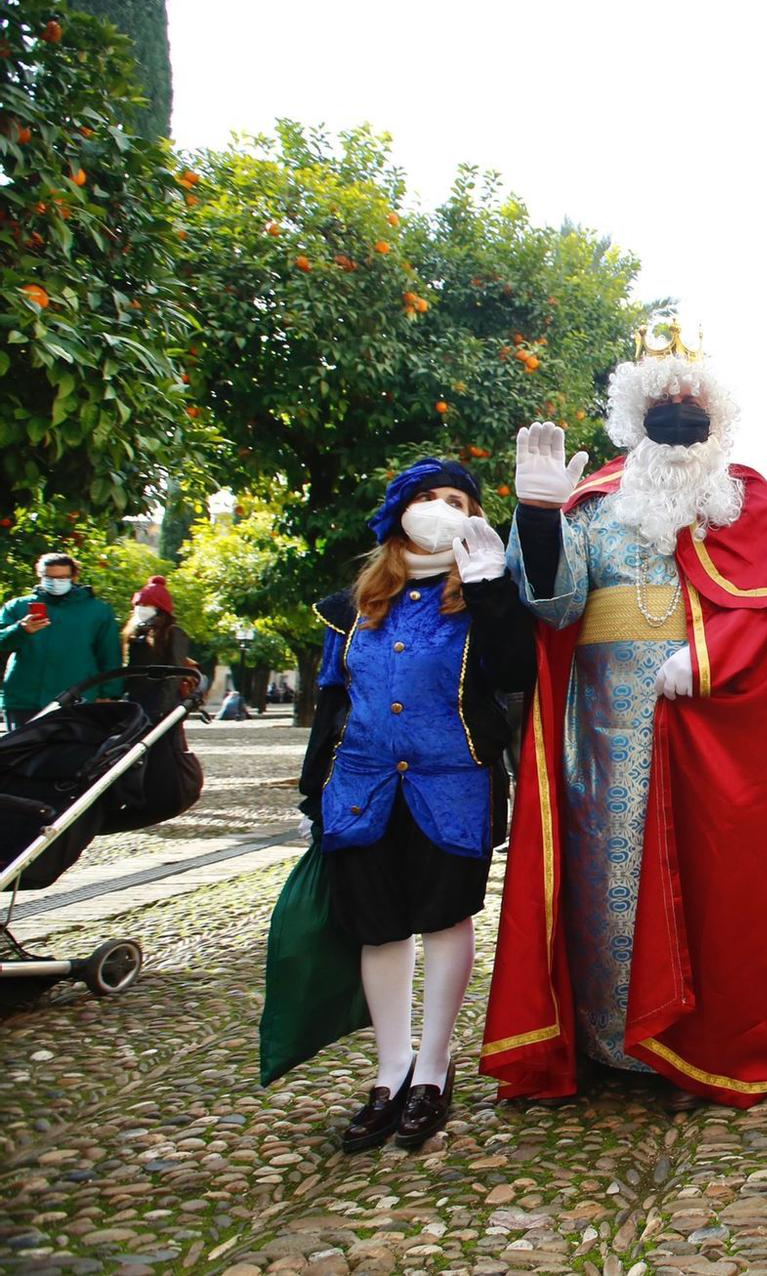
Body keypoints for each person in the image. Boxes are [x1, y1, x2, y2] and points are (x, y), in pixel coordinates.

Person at [483, 356, 767, 1107]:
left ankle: (695, 1046)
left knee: (711, 886)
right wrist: (539, 518)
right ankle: (611, 1043)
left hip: (710, 726)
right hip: (602, 736)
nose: (676, 417)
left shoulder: (744, 501)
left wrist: (709, 655)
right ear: (634, 419)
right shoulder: (594, 504)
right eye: (660, 407)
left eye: (691, 407)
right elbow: (557, 606)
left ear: (716, 420)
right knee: (606, 886)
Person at [293, 457, 536, 1151]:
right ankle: (391, 1070)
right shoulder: (352, 605)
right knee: (378, 927)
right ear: (400, 508)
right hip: (362, 785)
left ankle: (434, 1068)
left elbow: (516, 674)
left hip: (453, 781)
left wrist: (490, 592)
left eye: (455, 499)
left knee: (442, 916)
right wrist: (315, 790)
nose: (439, 507)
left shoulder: (488, 594)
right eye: (427, 496)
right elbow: (332, 701)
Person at [0, 553, 122, 728]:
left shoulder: (98, 611)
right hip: (24, 700)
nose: (56, 582)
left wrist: (109, 693)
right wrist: (21, 630)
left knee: (70, 754)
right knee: (19, 753)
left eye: (63, 577)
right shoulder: (17, 607)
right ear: (40, 576)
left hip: (75, 699)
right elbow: (2, 641)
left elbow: (109, 655)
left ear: (73, 577)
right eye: (50, 577)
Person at [123, 576, 197, 718]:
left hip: (161, 707)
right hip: (136, 703)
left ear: (159, 609)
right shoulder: (135, 632)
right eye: (139, 605)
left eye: (146, 605)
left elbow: (175, 673)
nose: (140, 609)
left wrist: (161, 707)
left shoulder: (173, 633)